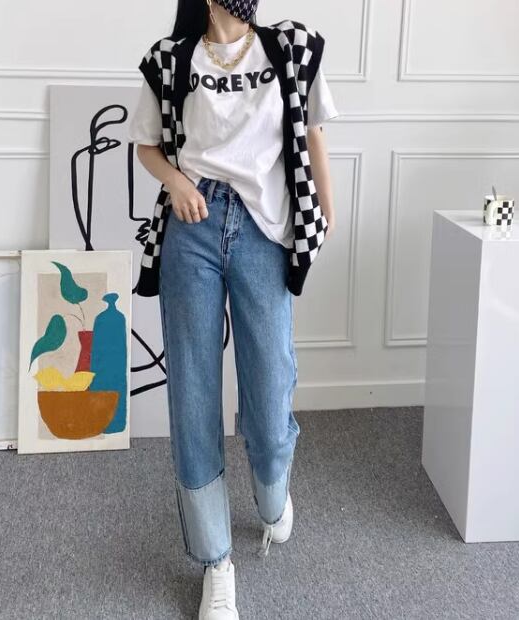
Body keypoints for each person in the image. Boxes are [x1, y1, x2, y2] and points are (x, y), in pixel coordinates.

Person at [128, 1, 339, 617]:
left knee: (271, 391)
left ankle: (273, 492)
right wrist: (177, 182)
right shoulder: (171, 60)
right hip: (191, 232)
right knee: (193, 395)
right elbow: (147, 145)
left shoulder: (290, 49)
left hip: (263, 232)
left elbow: (314, 134)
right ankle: (216, 561)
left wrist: (326, 218)